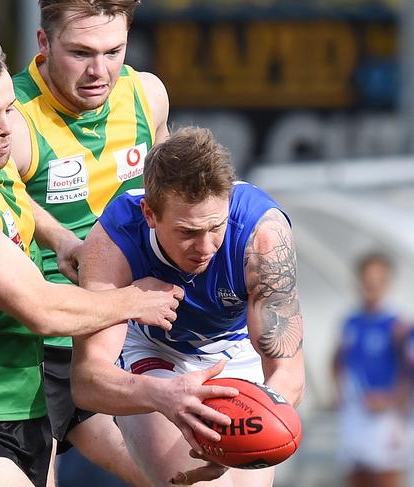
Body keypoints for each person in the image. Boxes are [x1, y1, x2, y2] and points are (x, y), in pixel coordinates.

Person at [0, 16, 183, 487]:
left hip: (30, 411)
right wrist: (137, 300)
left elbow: (27, 210)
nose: (6, 129)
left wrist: (61, 239)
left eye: (9, 110)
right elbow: (39, 309)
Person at [71, 127, 305, 486]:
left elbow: (288, 371)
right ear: (149, 214)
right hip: (152, 348)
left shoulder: (263, 234)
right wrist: (162, 395)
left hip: (232, 349)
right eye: (187, 232)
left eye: (216, 227)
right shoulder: (113, 240)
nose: (206, 246)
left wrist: (240, 438)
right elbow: (87, 382)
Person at [10, 0, 170, 482]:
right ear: (44, 43)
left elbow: (172, 192)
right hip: (39, 344)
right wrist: (60, 237)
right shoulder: (10, 116)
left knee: (171, 477)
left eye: (113, 50)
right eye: (80, 53)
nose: (100, 71)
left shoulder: (147, 95)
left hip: (129, 330)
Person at [332, 252, 411, 487]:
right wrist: (338, 393)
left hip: (386, 418)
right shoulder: (351, 321)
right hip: (355, 413)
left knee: (385, 476)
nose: (371, 285)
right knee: (357, 475)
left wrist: (392, 399)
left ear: (387, 282)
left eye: (377, 280)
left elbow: (410, 370)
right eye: (367, 279)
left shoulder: (399, 323)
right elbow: (336, 360)